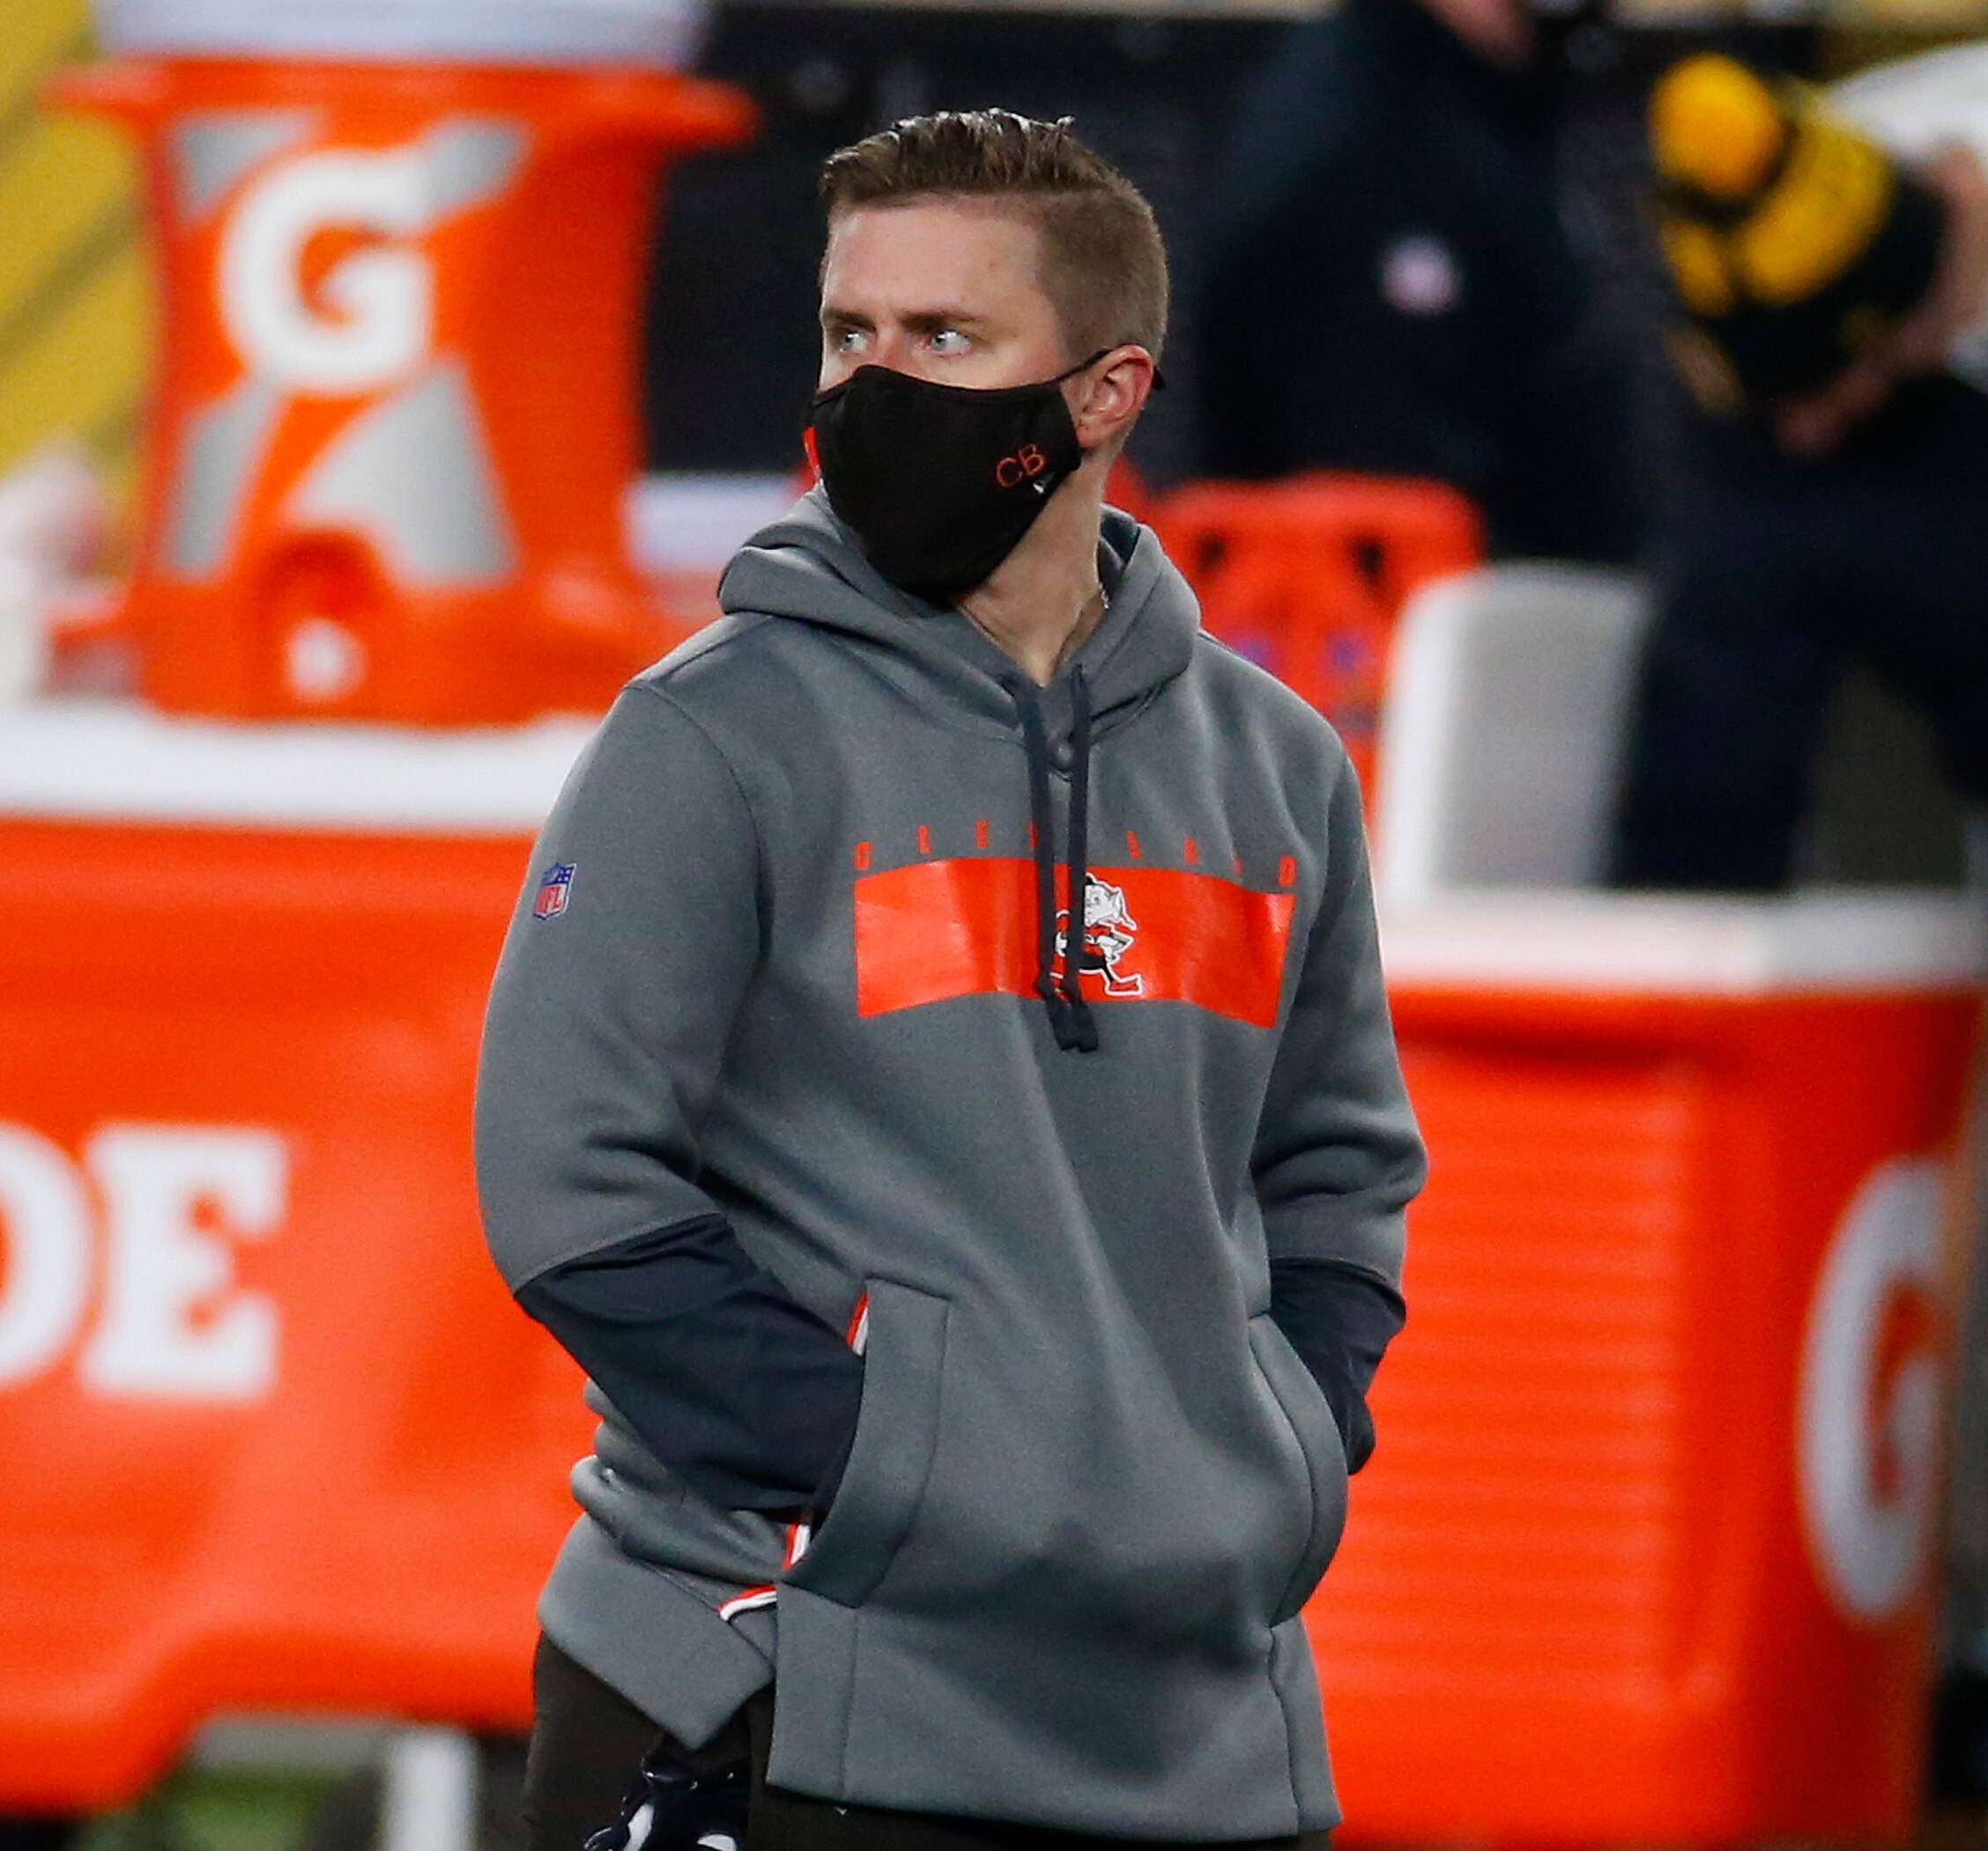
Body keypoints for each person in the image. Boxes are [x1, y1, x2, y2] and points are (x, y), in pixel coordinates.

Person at [475, 110, 1427, 1851]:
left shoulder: (1280, 773)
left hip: (1194, 1727)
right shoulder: (713, 734)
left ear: (1107, 394)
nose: (875, 386)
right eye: (852, 334)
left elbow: (1341, 1164)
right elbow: (565, 1178)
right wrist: (883, 1466)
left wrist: (1272, 1447)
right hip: (772, 1685)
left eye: (947, 341)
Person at [1613, 50, 1988, 890]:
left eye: (1824, 393)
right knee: (1731, 577)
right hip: (1899, 424)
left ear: (1917, 324)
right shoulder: (1826, 159)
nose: (1803, 432)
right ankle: (1685, 953)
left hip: (1947, 431)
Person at [1193, 0, 1637, 563]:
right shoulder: (1360, 134)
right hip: (1387, 621)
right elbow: (1377, 519)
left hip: (1544, 605)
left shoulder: (1492, 104)